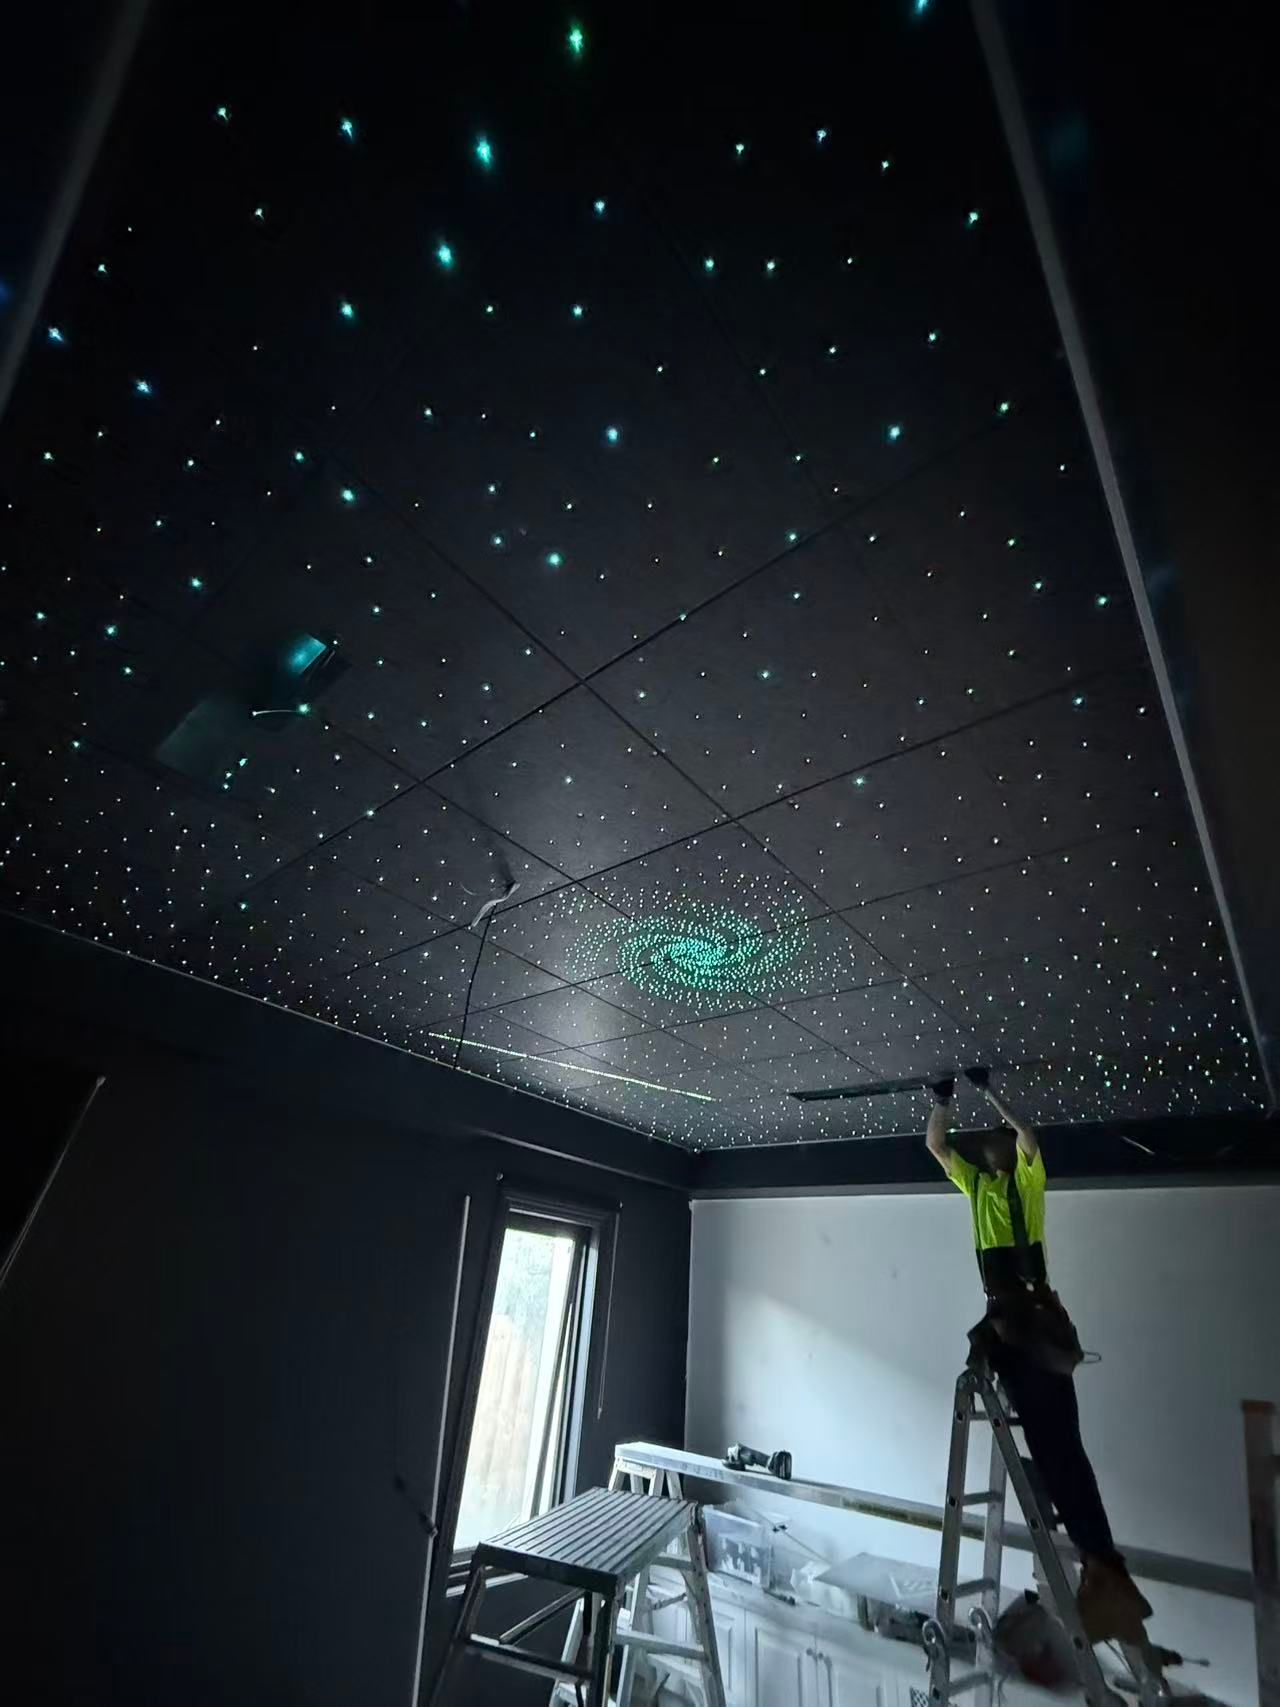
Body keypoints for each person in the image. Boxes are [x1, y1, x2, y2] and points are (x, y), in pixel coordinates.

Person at [925, 1073, 1152, 1645]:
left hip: (1035, 1328)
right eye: (990, 1143)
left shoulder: (1027, 1186)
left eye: (996, 1140)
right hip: (1007, 1326)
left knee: (1061, 1450)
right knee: (1053, 1451)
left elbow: (1028, 1133)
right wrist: (944, 1103)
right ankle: (1096, 1560)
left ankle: (1102, 1565)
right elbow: (937, 1146)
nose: (993, 1146)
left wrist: (991, 1094)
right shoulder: (976, 1187)